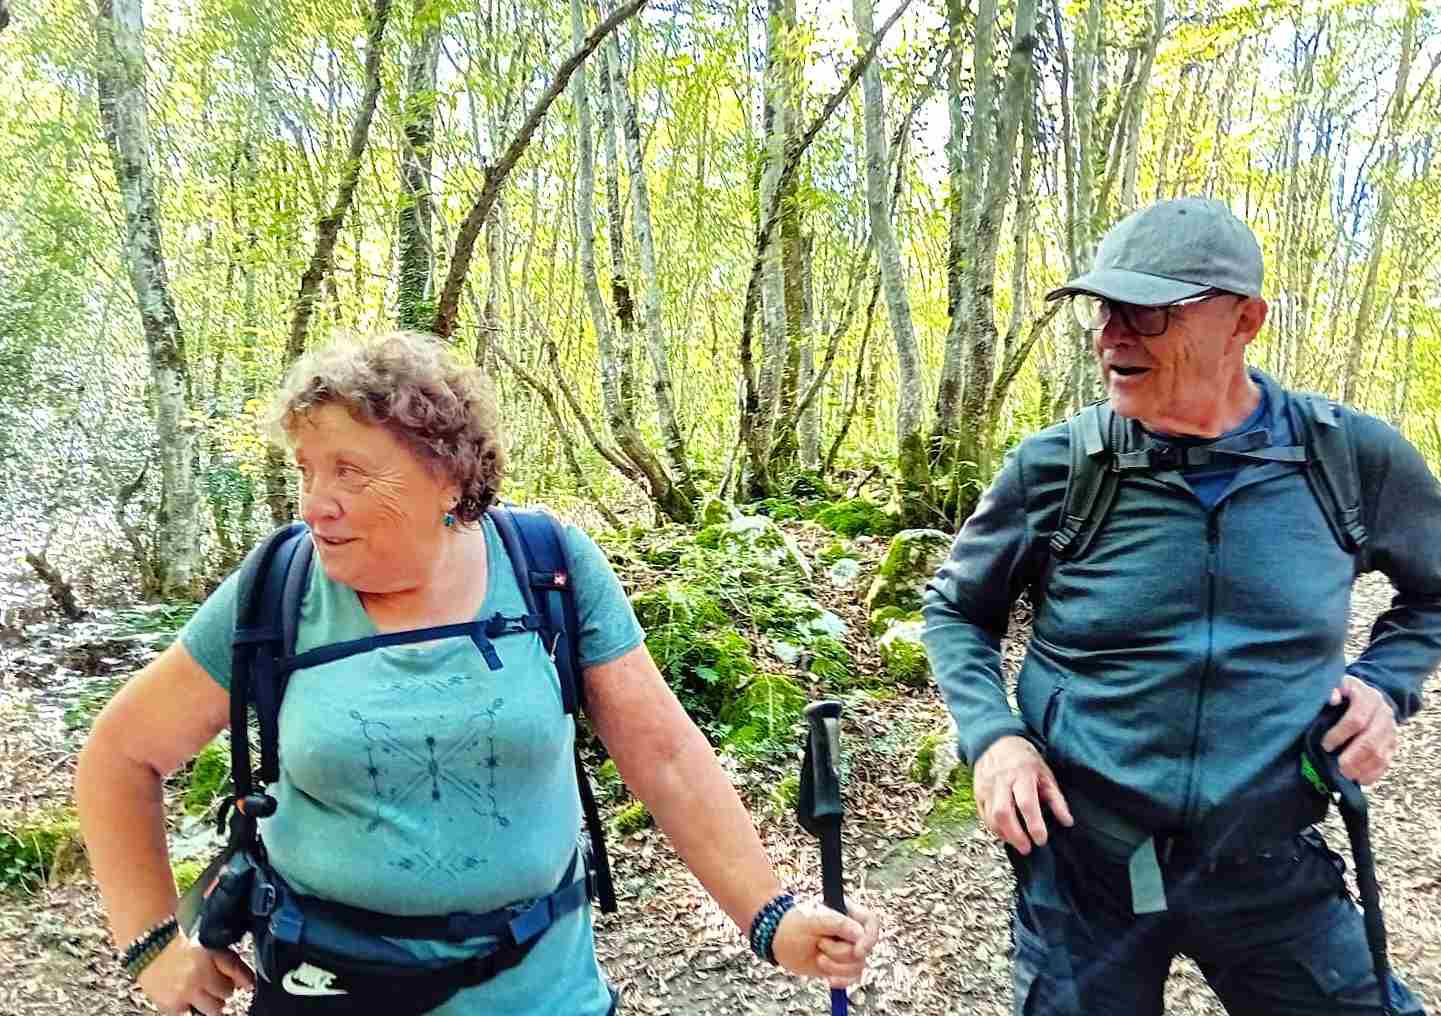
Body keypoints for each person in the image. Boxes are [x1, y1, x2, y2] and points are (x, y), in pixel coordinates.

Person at [76, 331, 880, 1016]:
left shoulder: (547, 569)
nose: (316, 502)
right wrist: (153, 946)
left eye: (350, 471)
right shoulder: (276, 590)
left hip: (540, 990)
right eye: (306, 470)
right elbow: (120, 755)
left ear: (450, 477)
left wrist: (770, 918)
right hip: (327, 986)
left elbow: (664, 756)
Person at [921, 197, 1441, 1015]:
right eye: (1103, 310)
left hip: (1267, 867)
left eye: (1147, 312)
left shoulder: (1346, 459)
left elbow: (1433, 593)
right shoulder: (1059, 468)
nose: (1111, 336)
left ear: (1244, 321)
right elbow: (956, 611)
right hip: (1084, 874)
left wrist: (1383, 684)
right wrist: (993, 740)